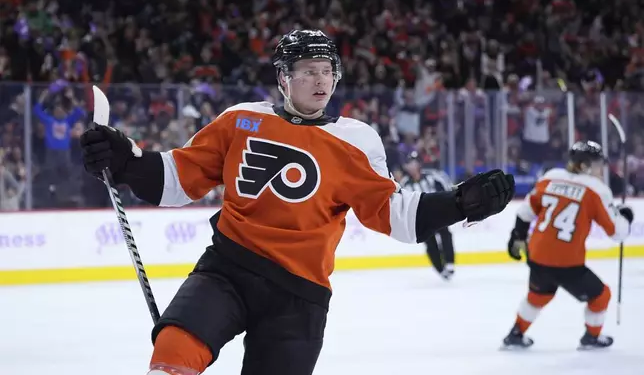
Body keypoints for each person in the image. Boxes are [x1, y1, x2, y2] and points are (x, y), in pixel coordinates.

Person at [80, 29, 515, 375]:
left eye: (327, 70)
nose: (320, 79)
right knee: (173, 351)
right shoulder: (240, 120)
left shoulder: (357, 139)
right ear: (284, 78)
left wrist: (461, 203)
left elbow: (395, 216)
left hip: (299, 296)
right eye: (307, 70)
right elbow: (175, 180)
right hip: (228, 270)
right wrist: (126, 160)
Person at [502, 141, 632, 350]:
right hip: (567, 262)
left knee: (539, 295)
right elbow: (617, 232)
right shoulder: (596, 190)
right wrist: (625, 216)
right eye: (597, 164)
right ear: (584, 166)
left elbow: (525, 212)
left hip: (536, 255)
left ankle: (515, 334)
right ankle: (591, 337)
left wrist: (517, 236)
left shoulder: (550, 177)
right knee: (601, 296)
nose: (601, 169)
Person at [400, 151, 456, 280]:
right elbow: (401, 203)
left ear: (419, 164)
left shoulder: (432, 177)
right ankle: (440, 268)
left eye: (414, 163)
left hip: (438, 213)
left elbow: (446, 188)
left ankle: (449, 263)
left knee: (445, 234)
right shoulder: (405, 184)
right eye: (410, 164)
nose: (412, 166)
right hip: (422, 219)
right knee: (430, 243)